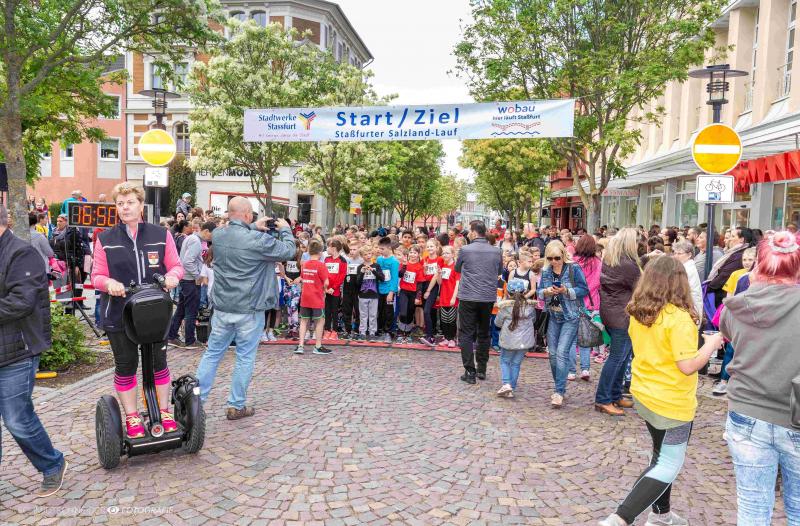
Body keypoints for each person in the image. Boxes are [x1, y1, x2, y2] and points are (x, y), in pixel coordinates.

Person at [598, 256, 724, 526]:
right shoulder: (678, 319)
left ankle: (661, 515)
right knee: (668, 464)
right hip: (671, 402)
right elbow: (688, 366)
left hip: (646, 393)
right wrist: (711, 344)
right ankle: (620, 518)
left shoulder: (639, 312)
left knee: (660, 456)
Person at [718, 231, 800, 525]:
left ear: (759, 264)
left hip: (747, 412)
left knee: (753, 509)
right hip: (793, 414)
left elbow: (730, 335)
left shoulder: (738, 306)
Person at [91, 183, 184, 438]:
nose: (125, 208)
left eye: (130, 202)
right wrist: (109, 283)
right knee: (126, 365)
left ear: (141, 205)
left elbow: (176, 266)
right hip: (119, 313)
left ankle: (164, 412)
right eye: (120, 204)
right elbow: (97, 275)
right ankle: (132, 417)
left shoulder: (160, 234)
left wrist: (172, 278)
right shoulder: (106, 239)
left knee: (158, 363)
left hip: (154, 312)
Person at [195, 197, 295, 420]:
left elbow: (235, 232)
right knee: (245, 357)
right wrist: (286, 230)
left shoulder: (218, 235)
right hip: (249, 308)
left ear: (229, 214)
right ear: (249, 214)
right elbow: (288, 251)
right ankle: (236, 405)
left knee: (212, 354)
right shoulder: (258, 240)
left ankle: (196, 403)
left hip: (223, 306)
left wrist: (251, 227)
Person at [0, 204, 67, 497]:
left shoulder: (21, 252)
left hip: (18, 351)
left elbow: (21, 302)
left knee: (17, 419)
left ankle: (52, 464)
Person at [595, 228, 641, 416]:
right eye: (637, 242)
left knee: (621, 357)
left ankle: (614, 394)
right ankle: (603, 399)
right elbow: (641, 287)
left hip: (612, 313)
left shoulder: (611, 259)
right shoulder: (628, 264)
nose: (639, 245)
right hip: (621, 316)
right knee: (617, 358)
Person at [537, 240, 588, 408]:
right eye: (550, 258)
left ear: (563, 255)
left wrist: (566, 290)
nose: (554, 261)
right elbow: (539, 292)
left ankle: (559, 391)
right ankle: (559, 385)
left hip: (570, 316)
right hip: (553, 315)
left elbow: (584, 289)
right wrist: (546, 291)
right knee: (552, 354)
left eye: (557, 258)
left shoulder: (574, 268)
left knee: (561, 353)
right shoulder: (546, 271)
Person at [455, 221, 503, 384]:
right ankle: (481, 368)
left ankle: (470, 371)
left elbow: (457, 269)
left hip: (468, 296)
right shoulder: (497, 251)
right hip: (487, 297)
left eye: (470, 231)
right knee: (484, 332)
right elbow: (498, 271)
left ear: (474, 232)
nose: (468, 233)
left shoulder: (465, 250)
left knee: (466, 333)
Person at [167, 221, 216, 349]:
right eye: (212, 234)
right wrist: (197, 276)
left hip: (186, 279)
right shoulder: (195, 241)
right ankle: (190, 340)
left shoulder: (192, 238)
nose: (212, 238)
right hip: (190, 281)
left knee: (182, 309)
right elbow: (188, 262)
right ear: (206, 231)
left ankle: (172, 335)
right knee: (191, 310)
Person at [494, 279, 536, 399]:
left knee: (505, 361)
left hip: (509, 340)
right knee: (516, 364)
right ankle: (511, 387)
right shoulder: (530, 307)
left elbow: (497, 323)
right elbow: (533, 320)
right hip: (524, 341)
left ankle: (506, 384)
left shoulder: (505, 308)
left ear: (508, 292)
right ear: (524, 292)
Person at [572, 235, 601, 381]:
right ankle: (585, 369)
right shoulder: (598, 262)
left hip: (573, 302)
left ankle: (571, 371)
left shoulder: (572, 261)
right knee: (585, 337)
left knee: (571, 338)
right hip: (590, 303)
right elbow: (598, 283)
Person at [295, 239, 331, 355]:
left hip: (305, 296)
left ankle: (300, 346)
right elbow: (326, 282)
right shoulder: (321, 265)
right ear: (320, 252)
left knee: (304, 321)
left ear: (309, 251)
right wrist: (325, 290)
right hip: (317, 297)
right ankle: (318, 346)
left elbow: (302, 278)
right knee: (320, 321)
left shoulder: (305, 264)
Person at [355, 245, 384, 342]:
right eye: (365, 254)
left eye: (369, 254)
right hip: (363, 295)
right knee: (363, 315)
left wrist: (373, 271)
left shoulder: (376, 266)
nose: (368, 256)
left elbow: (382, 278)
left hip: (374, 295)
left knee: (373, 315)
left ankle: (372, 333)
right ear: (362, 256)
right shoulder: (360, 267)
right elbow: (357, 283)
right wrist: (362, 272)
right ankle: (362, 332)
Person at [671, 240, 702, 321]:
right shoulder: (683, 266)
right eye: (675, 253)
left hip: (689, 310)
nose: (676, 256)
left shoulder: (686, 269)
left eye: (679, 253)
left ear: (689, 255)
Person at [376, 236, 400, 343]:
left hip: (389, 290)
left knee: (388, 311)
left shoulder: (394, 261)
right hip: (379, 289)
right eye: (379, 248)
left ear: (389, 248)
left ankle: (388, 332)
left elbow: (395, 278)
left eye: (382, 249)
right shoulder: (379, 259)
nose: (380, 251)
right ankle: (380, 330)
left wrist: (391, 292)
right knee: (380, 311)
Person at [322, 239, 346, 339]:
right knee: (327, 311)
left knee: (334, 311)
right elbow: (324, 273)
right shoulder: (326, 259)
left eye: (328, 246)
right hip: (326, 290)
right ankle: (327, 330)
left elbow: (341, 276)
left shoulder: (342, 260)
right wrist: (325, 287)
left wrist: (333, 287)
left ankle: (334, 331)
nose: (327, 248)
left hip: (335, 291)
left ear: (334, 248)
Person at [420, 239, 443, 346]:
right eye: (428, 246)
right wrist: (424, 269)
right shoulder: (425, 259)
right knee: (430, 311)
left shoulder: (440, 259)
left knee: (426, 311)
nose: (429, 248)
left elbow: (436, 276)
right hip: (424, 285)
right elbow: (424, 275)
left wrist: (428, 291)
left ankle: (430, 337)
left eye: (432, 246)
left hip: (433, 287)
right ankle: (429, 333)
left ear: (436, 247)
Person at [438, 245, 460, 348]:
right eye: (443, 253)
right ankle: (446, 338)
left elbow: (457, 284)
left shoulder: (456, 267)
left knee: (451, 319)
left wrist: (454, 297)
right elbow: (440, 282)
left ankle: (452, 338)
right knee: (444, 319)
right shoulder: (443, 266)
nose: (445, 255)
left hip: (452, 297)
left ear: (453, 254)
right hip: (443, 296)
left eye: (447, 253)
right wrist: (439, 273)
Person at [281, 241, 304, 339]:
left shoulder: (302, 257)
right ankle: (290, 329)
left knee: (294, 307)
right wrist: (286, 278)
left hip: (297, 285)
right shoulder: (286, 256)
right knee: (289, 307)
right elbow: (282, 270)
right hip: (287, 284)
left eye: (296, 247)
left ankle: (295, 329)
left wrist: (299, 279)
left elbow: (304, 271)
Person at [341, 245, 364, 339]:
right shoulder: (346, 260)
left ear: (358, 250)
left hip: (358, 289)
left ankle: (357, 330)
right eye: (351, 249)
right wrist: (342, 291)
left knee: (358, 310)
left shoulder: (361, 261)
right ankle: (347, 330)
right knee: (347, 310)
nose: (352, 251)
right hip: (347, 288)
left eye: (354, 249)